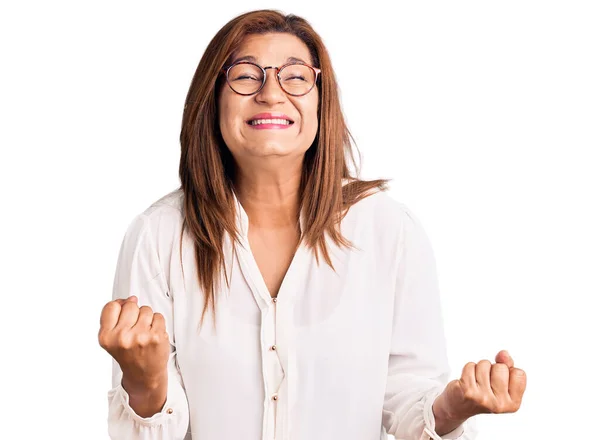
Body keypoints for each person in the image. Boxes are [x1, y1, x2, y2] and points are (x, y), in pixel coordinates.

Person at [98, 9, 527, 440]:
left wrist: (453, 408)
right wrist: (145, 381)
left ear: (321, 100)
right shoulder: (159, 236)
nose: (271, 93)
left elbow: (408, 400)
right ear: (213, 100)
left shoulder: (389, 232)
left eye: (295, 76)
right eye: (246, 76)